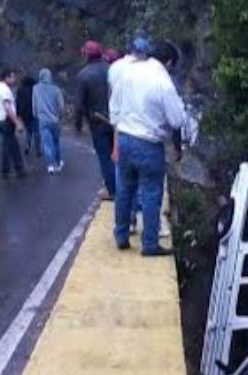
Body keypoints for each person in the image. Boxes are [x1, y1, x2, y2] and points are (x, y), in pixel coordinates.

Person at [110, 37, 186, 256]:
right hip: (149, 144)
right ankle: (150, 244)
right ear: (169, 62)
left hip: (125, 138)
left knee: (124, 189)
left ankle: (121, 236)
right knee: (151, 192)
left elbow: (114, 106)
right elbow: (177, 120)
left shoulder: (128, 72)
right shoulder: (163, 82)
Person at [75, 40, 115, 198]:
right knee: (117, 155)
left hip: (98, 122)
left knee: (105, 157)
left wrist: (78, 126)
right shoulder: (112, 70)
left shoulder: (83, 75)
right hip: (117, 120)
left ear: (86, 54)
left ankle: (113, 190)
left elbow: (78, 106)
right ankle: (121, 186)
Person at [33, 68, 65, 174]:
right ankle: (59, 162)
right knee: (56, 142)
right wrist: (61, 116)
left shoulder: (35, 89)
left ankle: (51, 165)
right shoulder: (56, 89)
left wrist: (36, 115)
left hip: (42, 119)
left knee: (47, 143)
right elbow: (61, 106)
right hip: (55, 119)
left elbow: (34, 105)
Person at [0, 69, 25, 178]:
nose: (14, 79)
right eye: (12, 77)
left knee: (6, 145)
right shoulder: (4, 90)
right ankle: (20, 169)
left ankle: (5, 170)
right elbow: (7, 107)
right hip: (6, 120)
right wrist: (17, 122)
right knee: (14, 146)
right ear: (6, 78)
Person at [16, 76, 41, 157]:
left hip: (25, 115)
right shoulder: (36, 90)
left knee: (29, 131)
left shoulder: (20, 90)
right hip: (35, 113)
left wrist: (18, 115)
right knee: (37, 132)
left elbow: (17, 103)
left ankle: (27, 145)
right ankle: (38, 149)